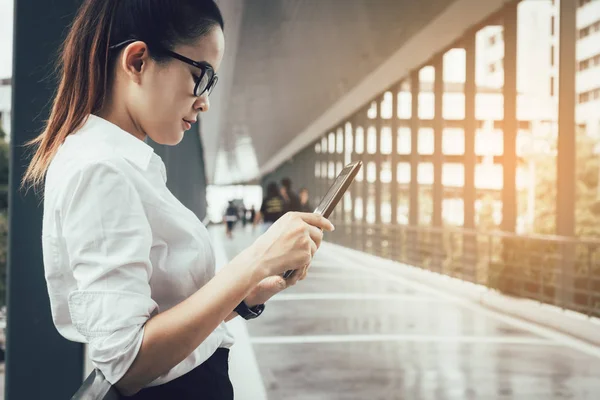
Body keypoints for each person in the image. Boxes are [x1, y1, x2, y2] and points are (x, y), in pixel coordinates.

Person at [21, 1, 334, 398]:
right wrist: (254, 259)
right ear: (137, 61)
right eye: (200, 76)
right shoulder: (100, 170)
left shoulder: (121, 163)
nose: (204, 101)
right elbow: (127, 362)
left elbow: (163, 312)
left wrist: (245, 294)